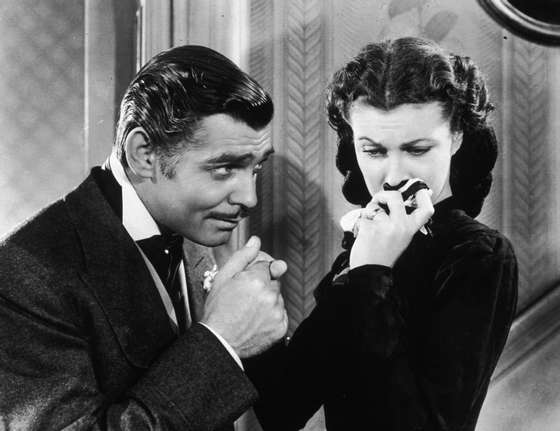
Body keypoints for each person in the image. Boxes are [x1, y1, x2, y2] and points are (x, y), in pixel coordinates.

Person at [0, 45, 289, 430]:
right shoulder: (25, 273)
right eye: (224, 168)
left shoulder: (190, 228)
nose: (249, 198)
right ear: (144, 154)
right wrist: (222, 340)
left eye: (256, 168)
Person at [252, 37, 518, 431]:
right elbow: (282, 408)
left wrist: (370, 274)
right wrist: (259, 321)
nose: (393, 177)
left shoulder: (479, 255)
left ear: (457, 136)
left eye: (417, 149)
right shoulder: (367, 245)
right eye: (374, 151)